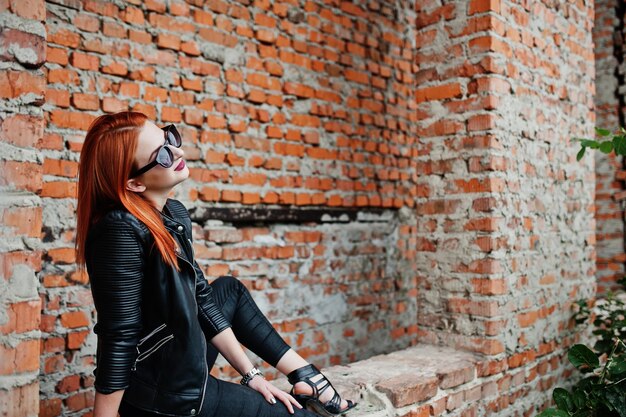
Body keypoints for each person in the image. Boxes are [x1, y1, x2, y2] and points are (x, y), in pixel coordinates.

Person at [74, 111, 357, 417]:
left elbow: (201, 299)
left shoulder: (173, 214)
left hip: (179, 358)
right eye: (163, 154)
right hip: (168, 395)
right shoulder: (119, 230)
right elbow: (120, 333)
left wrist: (253, 376)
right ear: (134, 184)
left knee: (227, 291)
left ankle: (305, 377)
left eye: (170, 138)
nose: (178, 151)